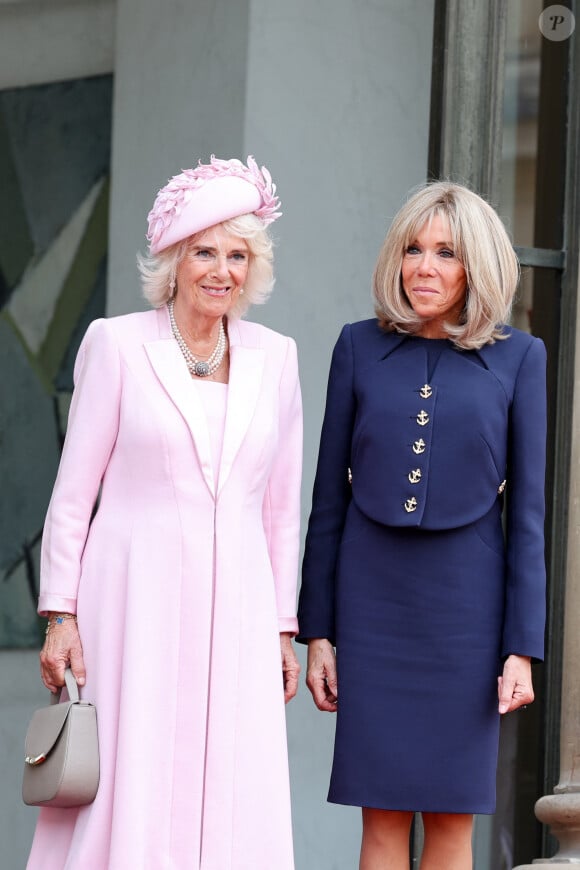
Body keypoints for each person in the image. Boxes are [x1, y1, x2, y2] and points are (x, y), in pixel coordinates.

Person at [28, 156, 302, 870]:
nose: (221, 270)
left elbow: (280, 509)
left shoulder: (278, 359)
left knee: (232, 776)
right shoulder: (116, 345)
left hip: (239, 609)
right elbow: (72, 494)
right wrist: (60, 614)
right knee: (134, 769)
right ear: (175, 262)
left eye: (237, 255)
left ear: (254, 265)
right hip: (131, 602)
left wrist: (281, 625)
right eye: (204, 252)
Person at [297, 181, 546, 870]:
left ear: (479, 268)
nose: (424, 267)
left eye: (446, 253)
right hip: (373, 611)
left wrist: (521, 648)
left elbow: (526, 518)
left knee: (449, 827)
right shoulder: (355, 349)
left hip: (467, 617)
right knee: (378, 824)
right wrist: (319, 634)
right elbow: (326, 505)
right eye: (413, 249)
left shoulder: (521, 359)